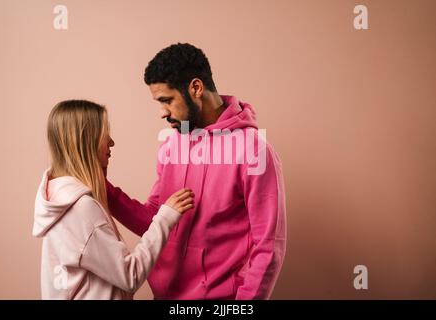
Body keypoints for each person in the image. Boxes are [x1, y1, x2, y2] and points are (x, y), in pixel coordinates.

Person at [107, 43, 287, 299]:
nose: (162, 112)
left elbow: (269, 245)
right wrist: (100, 188)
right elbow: (154, 219)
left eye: (166, 100)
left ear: (195, 88)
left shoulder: (254, 151)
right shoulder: (173, 143)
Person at [33, 100, 194, 299]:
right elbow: (130, 276)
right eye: (104, 133)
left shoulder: (60, 197)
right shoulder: (80, 208)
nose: (111, 142)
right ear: (86, 140)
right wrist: (165, 219)